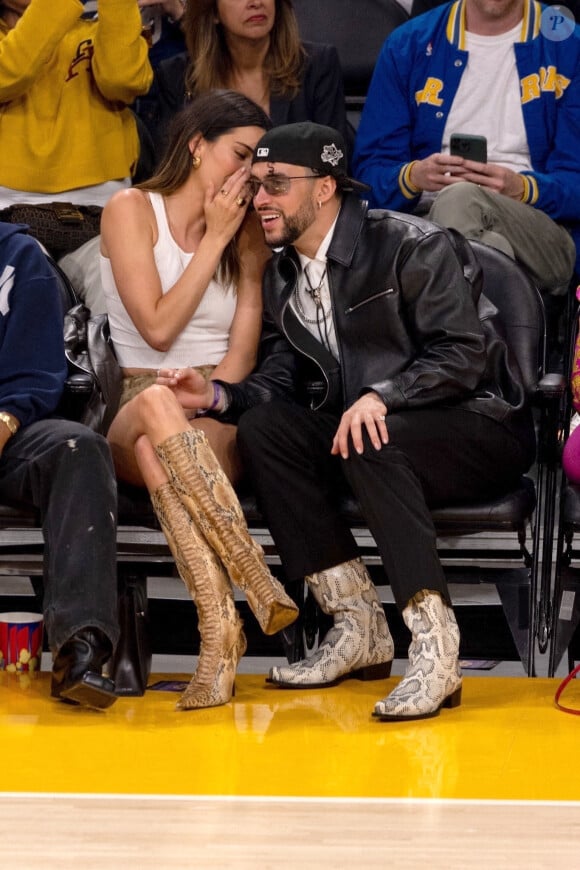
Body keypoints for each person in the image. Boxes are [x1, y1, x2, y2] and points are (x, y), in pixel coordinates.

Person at [157, 121, 537, 721]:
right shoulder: (284, 275)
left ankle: (436, 648)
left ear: (326, 187)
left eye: (277, 185)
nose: (260, 200)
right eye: (255, 185)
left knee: (367, 436)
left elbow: (463, 353)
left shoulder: (413, 245)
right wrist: (217, 397)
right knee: (266, 430)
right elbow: (282, 379)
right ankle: (356, 621)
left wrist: (384, 394)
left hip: (477, 423)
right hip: (374, 430)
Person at [100, 90, 299, 712]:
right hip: (139, 394)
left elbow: (241, 354)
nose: (248, 178)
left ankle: (219, 637)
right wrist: (210, 240)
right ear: (195, 145)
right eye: (239, 156)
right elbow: (157, 330)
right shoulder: (130, 209)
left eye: (260, 166)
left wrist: (210, 395)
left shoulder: (247, 237)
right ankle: (251, 570)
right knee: (158, 407)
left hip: (214, 404)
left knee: (164, 447)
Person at [352, 0, 580, 293]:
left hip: (540, 229)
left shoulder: (569, 46)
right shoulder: (409, 44)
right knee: (489, 249)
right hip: (423, 221)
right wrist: (413, 177)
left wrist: (524, 188)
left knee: (459, 200)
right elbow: (368, 178)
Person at [0, 221, 119, 709]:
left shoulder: (18, 257)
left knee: (78, 447)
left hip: (10, 429)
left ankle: (80, 648)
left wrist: (5, 422)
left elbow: (35, 377)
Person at [0, 0, 152, 275]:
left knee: (122, 293)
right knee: (27, 293)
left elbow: (123, 81)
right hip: (7, 214)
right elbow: (9, 72)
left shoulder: (101, 26)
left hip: (102, 210)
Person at [138, 0, 348, 167]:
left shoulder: (317, 65)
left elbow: (333, 162)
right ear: (212, 12)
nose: (255, 2)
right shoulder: (177, 76)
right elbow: (172, 171)